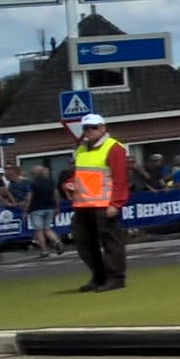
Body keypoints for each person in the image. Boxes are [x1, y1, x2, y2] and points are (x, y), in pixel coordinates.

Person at [65, 112, 133, 292]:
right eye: (86, 128)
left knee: (111, 243)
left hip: (104, 204)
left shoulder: (114, 147)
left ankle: (116, 278)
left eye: (94, 127)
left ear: (103, 128)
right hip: (82, 205)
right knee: (84, 244)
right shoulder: (80, 149)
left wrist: (116, 203)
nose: (89, 131)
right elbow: (78, 174)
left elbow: (120, 178)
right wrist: (70, 183)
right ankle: (99, 276)